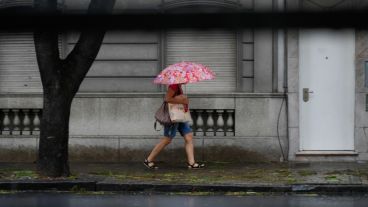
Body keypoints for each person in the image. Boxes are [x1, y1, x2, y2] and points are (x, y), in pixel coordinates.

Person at [144, 83, 204, 169]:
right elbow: (167, 99)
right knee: (167, 139)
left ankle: (192, 163)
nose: (187, 79)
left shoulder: (179, 86)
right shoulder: (174, 86)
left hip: (180, 115)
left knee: (189, 137)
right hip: (173, 117)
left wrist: (183, 99)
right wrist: (182, 101)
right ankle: (148, 160)